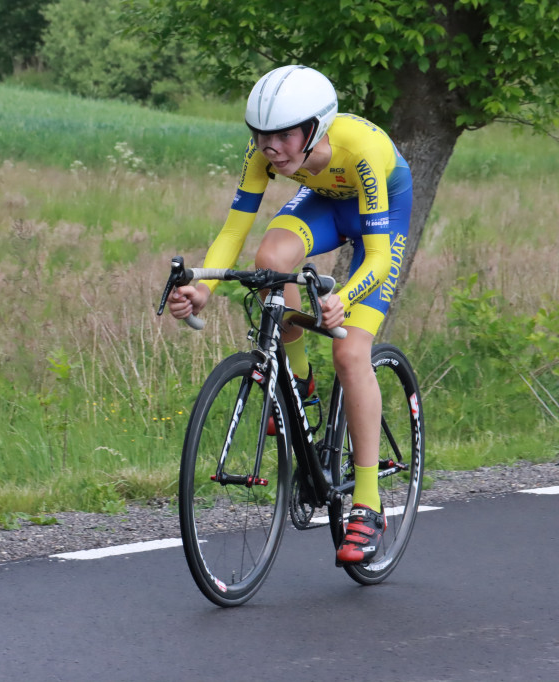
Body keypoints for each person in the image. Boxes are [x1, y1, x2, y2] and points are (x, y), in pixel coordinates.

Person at [166, 64, 413, 565]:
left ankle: (367, 502)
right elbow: (235, 231)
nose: (269, 147)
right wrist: (204, 287)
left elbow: (381, 258)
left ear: (315, 129)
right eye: (260, 135)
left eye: (281, 135)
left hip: (380, 215)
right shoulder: (264, 154)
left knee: (349, 352)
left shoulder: (358, 150)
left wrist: (346, 295)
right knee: (269, 262)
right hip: (324, 202)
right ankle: (298, 381)